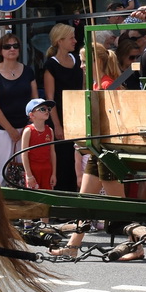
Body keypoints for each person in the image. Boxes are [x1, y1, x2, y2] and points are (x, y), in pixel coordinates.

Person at [0, 32, 37, 187]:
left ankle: (23, 198)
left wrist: (30, 125)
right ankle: (3, 198)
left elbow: (34, 100)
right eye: (7, 46)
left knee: (25, 169)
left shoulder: (28, 71)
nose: (12, 49)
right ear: (1, 51)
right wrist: (11, 130)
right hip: (2, 130)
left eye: (15, 46)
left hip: (25, 127)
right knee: (3, 170)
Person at [41, 24, 84, 188]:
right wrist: (57, 125)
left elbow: (83, 88)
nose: (75, 41)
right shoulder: (50, 65)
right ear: (60, 41)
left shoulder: (78, 60)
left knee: (78, 160)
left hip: (78, 118)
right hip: (60, 119)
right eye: (71, 38)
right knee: (63, 162)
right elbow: (50, 98)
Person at [19, 99, 56, 191]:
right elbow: (24, 154)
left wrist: (54, 173)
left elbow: (52, 153)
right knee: (33, 197)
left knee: (48, 196)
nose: (47, 111)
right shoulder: (28, 131)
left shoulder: (50, 130)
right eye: (42, 109)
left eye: (48, 109)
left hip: (47, 170)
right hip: (33, 170)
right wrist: (29, 175)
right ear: (32, 115)